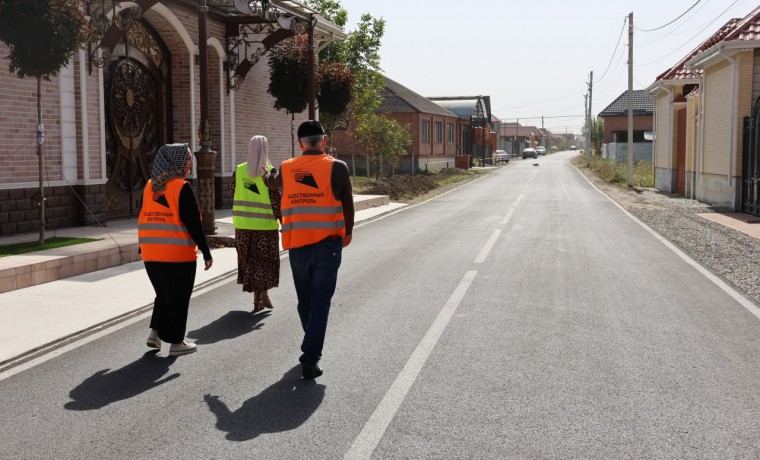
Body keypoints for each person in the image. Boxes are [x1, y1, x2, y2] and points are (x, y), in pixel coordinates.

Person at [263, 120, 354, 379]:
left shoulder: (287, 168)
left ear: (300, 143)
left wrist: (265, 173)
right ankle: (311, 353)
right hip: (328, 245)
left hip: (298, 246)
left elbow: (273, 182)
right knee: (319, 302)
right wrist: (348, 232)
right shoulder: (337, 167)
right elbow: (347, 201)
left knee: (306, 302)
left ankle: (310, 354)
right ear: (324, 141)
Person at [138, 143, 213, 357]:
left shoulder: (150, 186)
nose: (190, 163)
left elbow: (144, 218)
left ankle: (155, 334)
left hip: (151, 254)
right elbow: (194, 224)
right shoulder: (181, 187)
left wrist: (141, 246)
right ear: (175, 161)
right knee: (179, 298)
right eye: (187, 159)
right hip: (178, 255)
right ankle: (177, 343)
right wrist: (206, 252)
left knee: (163, 294)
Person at [232, 135, 281, 313]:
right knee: (265, 264)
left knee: (250, 263)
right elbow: (276, 201)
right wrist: (283, 220)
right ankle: (263, 295)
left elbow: (233, 191)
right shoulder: (270, 173)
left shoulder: (238, 170)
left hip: (243, 226)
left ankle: (257, 298)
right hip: (266, 226)